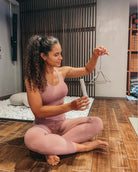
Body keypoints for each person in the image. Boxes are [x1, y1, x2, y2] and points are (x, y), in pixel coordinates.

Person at [24, 35, 109, 166]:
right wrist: (70, 107)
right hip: (42, 126)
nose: (61, 58)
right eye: (56, 54)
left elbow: (87, 70)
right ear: (43, 56)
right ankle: (84, 147)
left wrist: (95, 55)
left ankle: (52, 149)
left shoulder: (62, 71)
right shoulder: (32, 79)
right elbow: (38, 112)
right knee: (31, 139)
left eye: (60, 53)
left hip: (62, 124)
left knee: (97, 123)